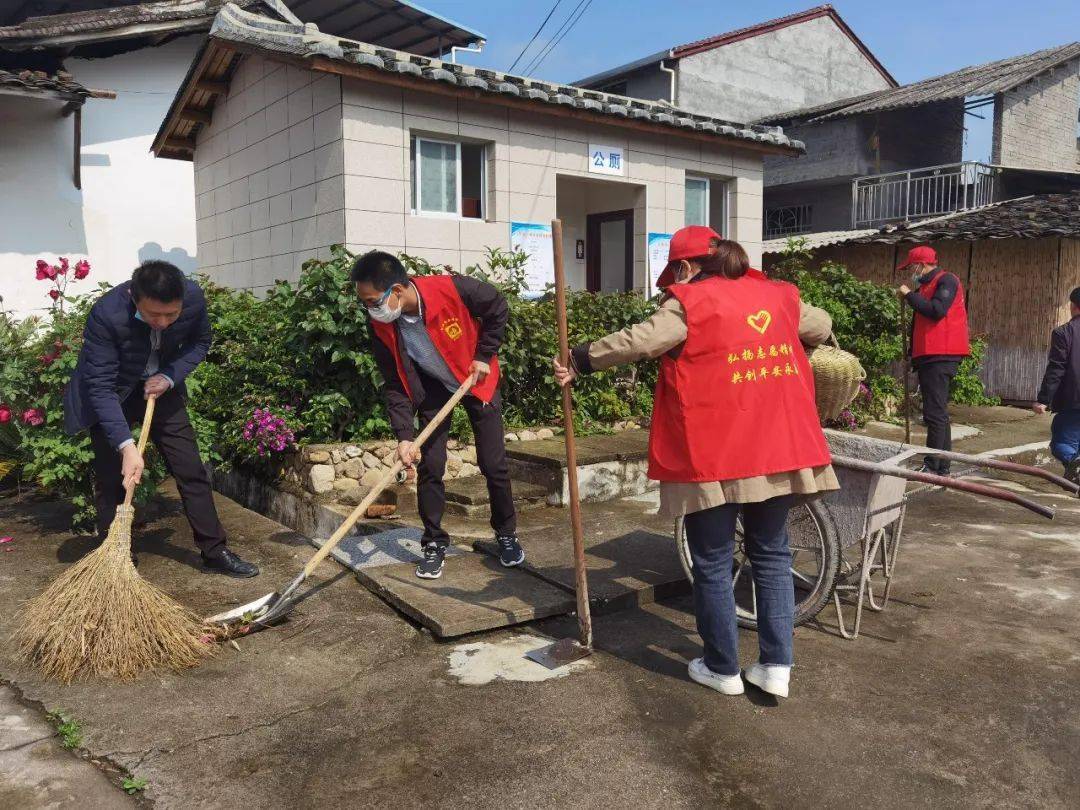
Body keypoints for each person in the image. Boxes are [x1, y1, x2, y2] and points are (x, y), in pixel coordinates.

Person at [553, 227, 837, 698]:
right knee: (771, 555)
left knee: (712, 561)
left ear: (686, 268)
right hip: (780, 447)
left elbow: (641, 341)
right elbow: (820, 325)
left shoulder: (689, 303)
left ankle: (722, 668)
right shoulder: (780, 296)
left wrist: (580, 358)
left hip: (717, 453)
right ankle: (776, 667)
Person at [63, 261, 259, 576]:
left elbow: (200, 343)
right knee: (113, 477)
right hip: (114, 394)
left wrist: (169, 376)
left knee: (191, 468)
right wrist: (127, 447)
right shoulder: (107, 314)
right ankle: (118, 558)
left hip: (160, 388)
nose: (164, 323)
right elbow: (99, 387)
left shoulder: (193, 298)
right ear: (133, 296)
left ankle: (214, 551)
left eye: (172, 315)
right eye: (154, 315)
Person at [352, 251, 524, 580]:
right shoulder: (381, 325)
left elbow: (497, 306)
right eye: (366, 303)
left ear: (397, 291)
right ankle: (433, 542)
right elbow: (395, 383)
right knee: (430, 465)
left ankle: (506, 534)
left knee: (493, 463)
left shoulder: (452, 289)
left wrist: (484, 354)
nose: (371, 309)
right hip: (434, 386)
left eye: (373, 301)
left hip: (477, 378)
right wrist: (404, 436)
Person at [897, 245, 970, 475]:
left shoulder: (946, 280)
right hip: (930, 356)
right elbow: (918, 325)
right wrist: (912, 355)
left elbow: (937, 310)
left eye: (912, 267)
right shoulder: (925, 286)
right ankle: (942, 465)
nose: (911, 272)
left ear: (921, 264)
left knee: (934, 414)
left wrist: (909, 295)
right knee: (938, 413)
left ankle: (932, 465)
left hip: (941, 355)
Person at [1034, 286, 1080, 482]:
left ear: (1073, 306)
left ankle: (1076, 467)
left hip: (1073, 400)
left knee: (1061, 444)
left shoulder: (1064, 333)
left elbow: (1057, 368)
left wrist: (1043, 399)